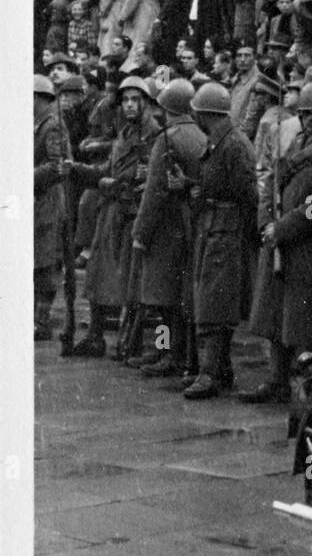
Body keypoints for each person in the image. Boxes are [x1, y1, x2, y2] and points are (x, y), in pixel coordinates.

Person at [241, 82, 312, 402]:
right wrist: (266, 223)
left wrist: (283, 228)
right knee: (276, 315)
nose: (310, 120)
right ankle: (276, 379)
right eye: (305, 114)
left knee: (306, 323)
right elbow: (271, 186)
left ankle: (311, 390)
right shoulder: (298, 142)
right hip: (281, 240)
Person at [66, 77, 159, 359]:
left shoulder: (152, 135)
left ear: (145, 103)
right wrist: (78, 168)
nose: (129, 105)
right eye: (126, 100)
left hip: (130, 215)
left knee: (129, 285)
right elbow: (110, 168)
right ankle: (96, 337)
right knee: (97, 276)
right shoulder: (125, 132)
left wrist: (107, 182)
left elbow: (136, 179)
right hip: (112, 212)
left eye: (135, 100)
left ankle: (135, 344)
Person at [184, 82, 259, 401]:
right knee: (212, 298)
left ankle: (209, 372)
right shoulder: (221, 141)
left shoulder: (233, 145)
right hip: (215, 226)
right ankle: (220, 367)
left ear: (204, 114)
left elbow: (247, 193)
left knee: (213, 301)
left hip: (226, 230)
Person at [131, 79, 208, 381]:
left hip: (164, 228)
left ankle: (167, 353)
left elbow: (154, 191)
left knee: (161, 300)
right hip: (189, 224)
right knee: (179, 298)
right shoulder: (200, 135)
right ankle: (175, 354)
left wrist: (141, 231)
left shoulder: (167, 138)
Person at [34, 75, 64, 341]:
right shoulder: (39, 124)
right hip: (37, 199)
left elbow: (56, 166)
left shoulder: (51, 127)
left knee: (44, 262)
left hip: (47, 200)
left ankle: (42, 321)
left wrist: (26, 175)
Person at [228, 44, 258, 134]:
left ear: (254, 58)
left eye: (247, 55)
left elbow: (252, 115)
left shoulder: (256, 80)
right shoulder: (236, 77)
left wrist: (241, 136)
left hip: (243, 135)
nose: (242, 59)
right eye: (239, 55)